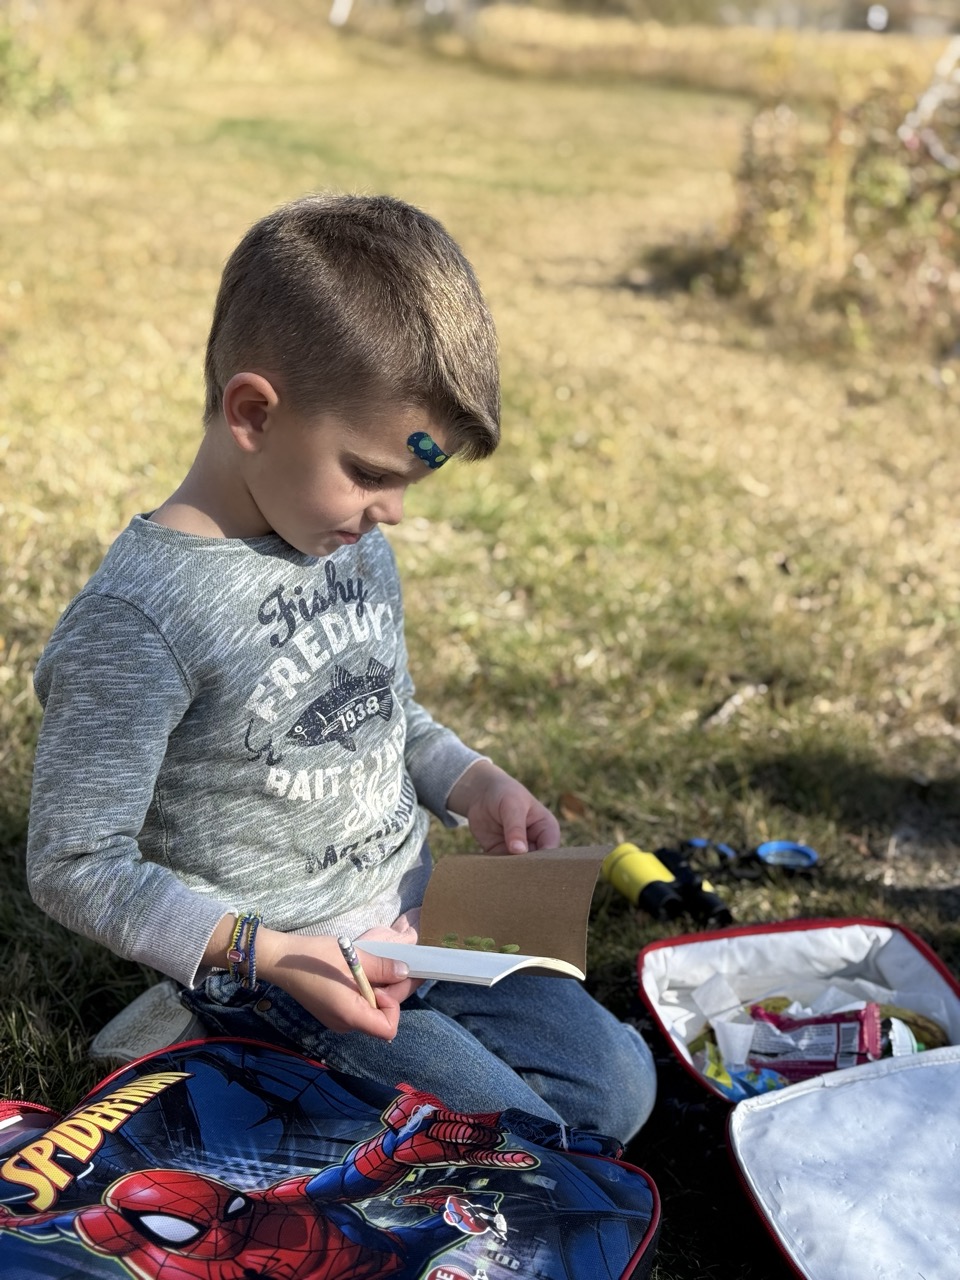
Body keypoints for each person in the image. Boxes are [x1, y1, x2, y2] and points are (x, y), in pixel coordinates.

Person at [26, 194, 656, 1144]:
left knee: (617, 1089)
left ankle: (317, 1094)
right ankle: (215, 1038)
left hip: (424, 932)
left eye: (409, 482)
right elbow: (74, 865)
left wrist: (470, 781)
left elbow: (384, 710)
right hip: (282, 975)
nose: (392, 511)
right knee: (524, 1147)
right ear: (253, 413)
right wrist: (267, 953)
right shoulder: (141, 621)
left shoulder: (345, 540)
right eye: (370, 473)